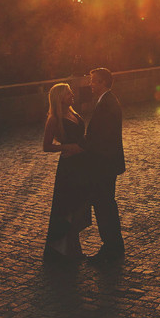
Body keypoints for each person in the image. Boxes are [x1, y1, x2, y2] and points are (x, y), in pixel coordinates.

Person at [67, 67, 125, 264]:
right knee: (106, 205)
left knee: (104, 206)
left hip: (104, 164)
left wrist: (79, 147)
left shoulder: (107, 103)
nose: (90, 84)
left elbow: (100, 137)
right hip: (107, 163)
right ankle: (114, 246)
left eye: (93, 81)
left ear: (103, 83)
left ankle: (111, 249)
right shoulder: (107, 101)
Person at [42, 83, 91, 263]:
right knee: (69, 206)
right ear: (59, 97)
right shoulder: (54, 119)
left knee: (81, 204)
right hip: (69, 166)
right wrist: (67, 147)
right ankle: (67, 249)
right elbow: (46, 146)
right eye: (68, 93)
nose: (72, 95)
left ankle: (73, 246)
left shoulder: (73, 112)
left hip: (82, 163)